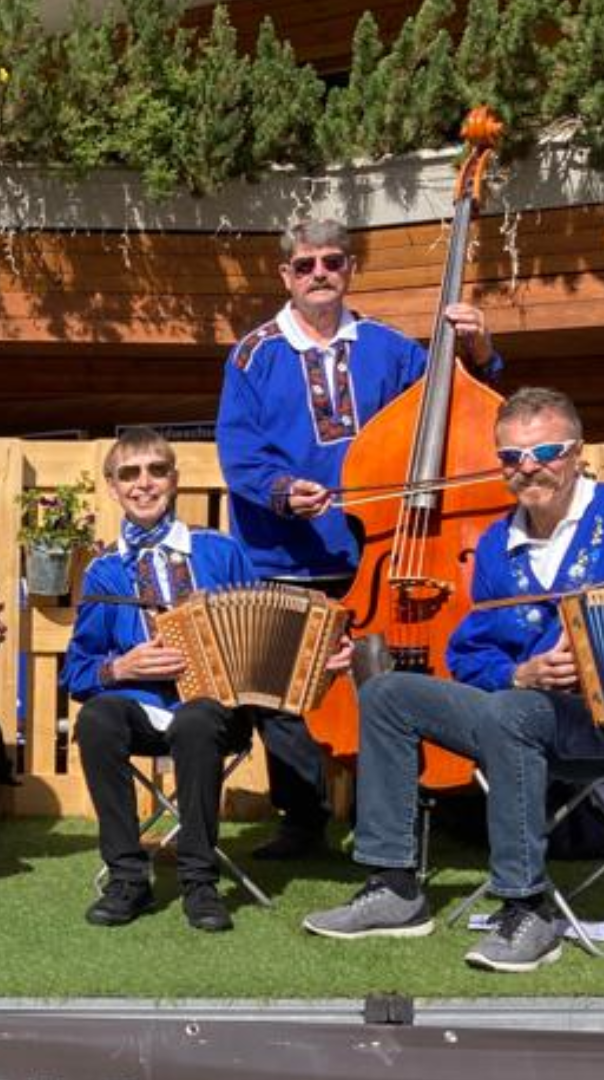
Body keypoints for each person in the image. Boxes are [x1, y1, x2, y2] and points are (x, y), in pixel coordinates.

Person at [301, 387, 604, 973]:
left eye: (545, 451)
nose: (529, 467)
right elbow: (470, 652)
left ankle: (528, 909)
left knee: (513, 713)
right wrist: (518, 671)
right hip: (527, 719)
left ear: (576, 452)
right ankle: (395, 887)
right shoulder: (498, 544)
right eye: (511, 458)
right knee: (390, 693)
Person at [213, 218, 501, 859]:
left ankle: (399, 816)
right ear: (285, 275)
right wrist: (283, 492)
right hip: (286, 553)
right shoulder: (253, 354)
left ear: (349, 270)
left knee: (386, 688)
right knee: (286, 695)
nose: (321, 273)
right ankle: (302, 819)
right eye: (307, 263)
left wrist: (477, 348)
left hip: (380, 554)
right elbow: (239, 452)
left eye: (333, 262)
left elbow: (454, 400)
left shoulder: (390, 348)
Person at [67, 427, 330, 931]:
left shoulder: (219, 551)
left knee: (195, 719)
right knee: (98, 718)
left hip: (217, 713)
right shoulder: (104, 572)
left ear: (175, 480)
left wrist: (314, 658)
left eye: (156, 471)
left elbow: (266, 633)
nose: (143, 484)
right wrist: (121, 667)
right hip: (141, 708)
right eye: (129, 474)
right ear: (113, 487)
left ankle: (199, 882)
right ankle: (128, 878)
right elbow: (79, 670)